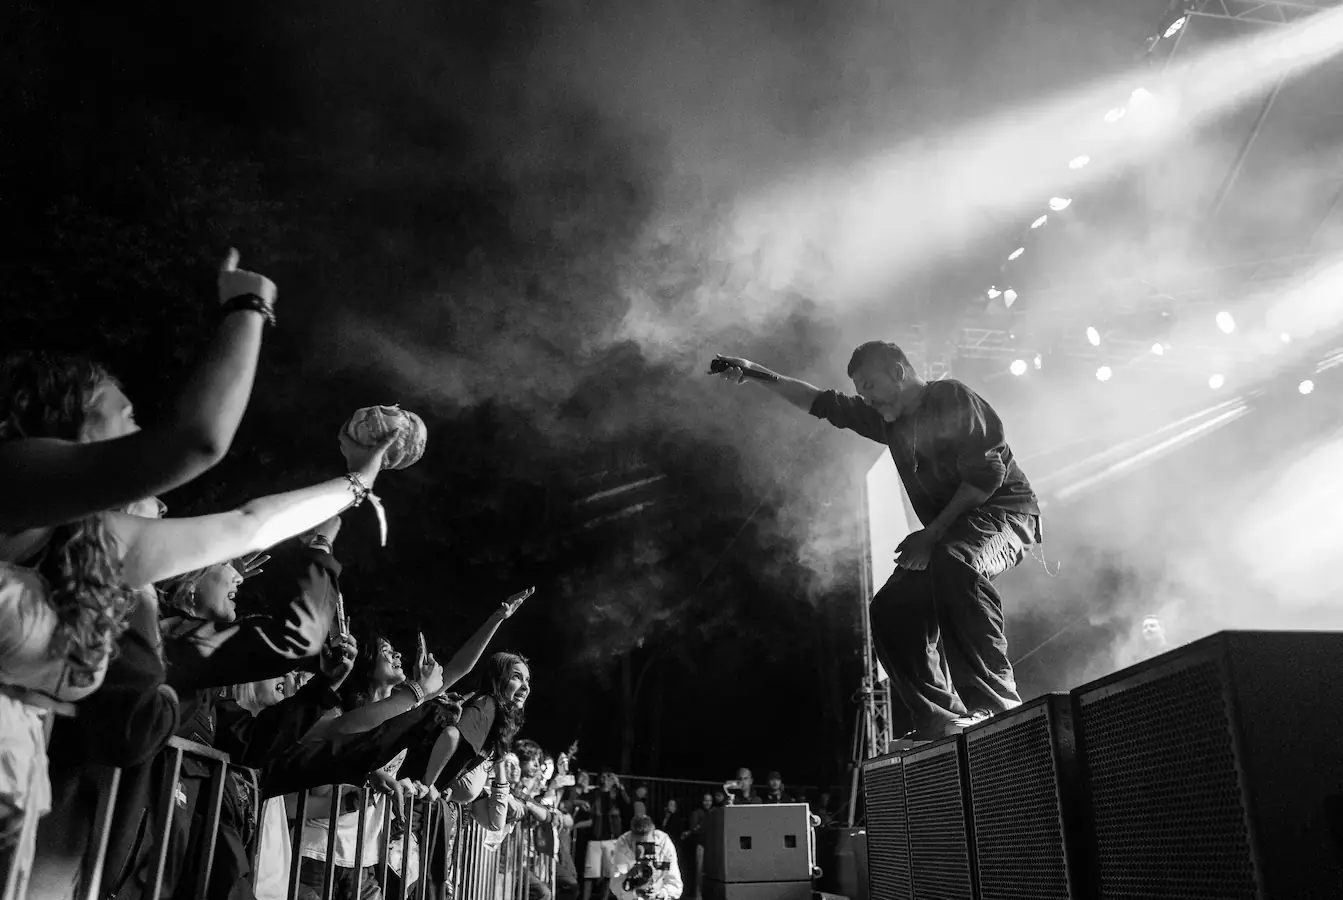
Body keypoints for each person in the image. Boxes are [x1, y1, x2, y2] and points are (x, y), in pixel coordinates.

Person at [716, 342, 1041, 741]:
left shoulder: (950, 397)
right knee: (891, 608)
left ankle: (995, 701)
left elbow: (985, 477)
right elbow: (819, 401)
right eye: (861, 389)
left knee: (956, 559)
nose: (866, 397)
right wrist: (755, 372)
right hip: (948, 536)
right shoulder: (889, 421)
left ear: (899, 373)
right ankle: (939, 716)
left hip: (1006, 516)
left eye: (870, 385)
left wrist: (931, 535)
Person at [610, 814, 683, 900]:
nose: (644, 852)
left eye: (648, 845)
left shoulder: (664, 843)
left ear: (654, 836)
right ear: (631, 838)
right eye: (639, 846)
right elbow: (616, 885)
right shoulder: (623, 843)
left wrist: (660, 893)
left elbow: (675, 884)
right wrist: (634, 892)